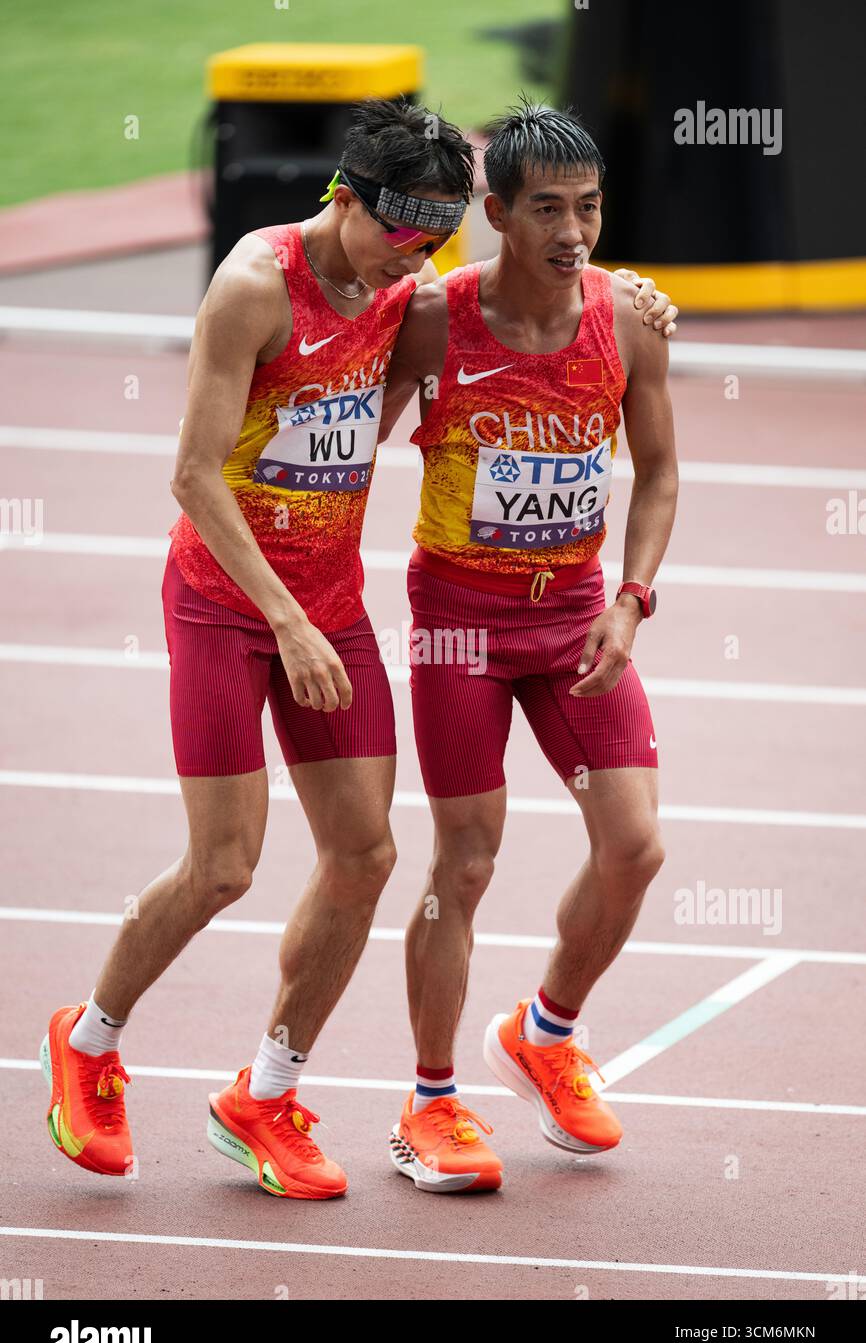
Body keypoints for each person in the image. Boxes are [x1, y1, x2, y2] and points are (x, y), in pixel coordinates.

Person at [40, 97, 676, 1201]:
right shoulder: (258, 286)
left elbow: (537, 307)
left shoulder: (406, 298)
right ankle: (90, 1039)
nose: (412, 258)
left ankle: (266, 1092)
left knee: (366, 858)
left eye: (432, 239)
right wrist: (283, 619)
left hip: (333, 610)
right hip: (227, 604)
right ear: (345, 197)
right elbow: (194, 474)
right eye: (399, 233)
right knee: (227, 864)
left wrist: (636, 299)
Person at [379, 100, 678, 1192]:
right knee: (462, 862)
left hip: (576, 620)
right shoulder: (432, 319)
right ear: (494, 213)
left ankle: (545, 1031)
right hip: (458, 619)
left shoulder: (629, 319)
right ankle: (429, 1101)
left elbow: (658, 472)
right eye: (545, 209)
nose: (571, 231)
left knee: (634, 846)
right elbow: (345, 428)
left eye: (588, 208)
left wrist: (632, 597)